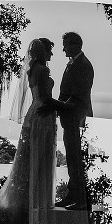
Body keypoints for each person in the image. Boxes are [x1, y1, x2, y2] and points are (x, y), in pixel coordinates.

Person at [0, 38, 58, 224]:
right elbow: (45, 98)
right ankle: (37, 200)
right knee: (40, 156)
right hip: (42, 115)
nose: (52, 54)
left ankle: (23, 199)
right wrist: (66, 106)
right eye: (50, 50)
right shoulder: (43, 70)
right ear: (43, 51)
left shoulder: (31, 70)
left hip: (33, 114)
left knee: (27, 158)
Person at [38, 32, 93, 211]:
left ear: (76, 45)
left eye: (66, 45)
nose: (63, 49)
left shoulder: (83, 65)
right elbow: (66, 95)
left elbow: (75, 97)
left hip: (76, 116)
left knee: (76, 156)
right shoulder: (73, 64)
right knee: (71, 156)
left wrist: (54, 106)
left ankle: (82, 199)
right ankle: (72, 194)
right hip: (69, 116)